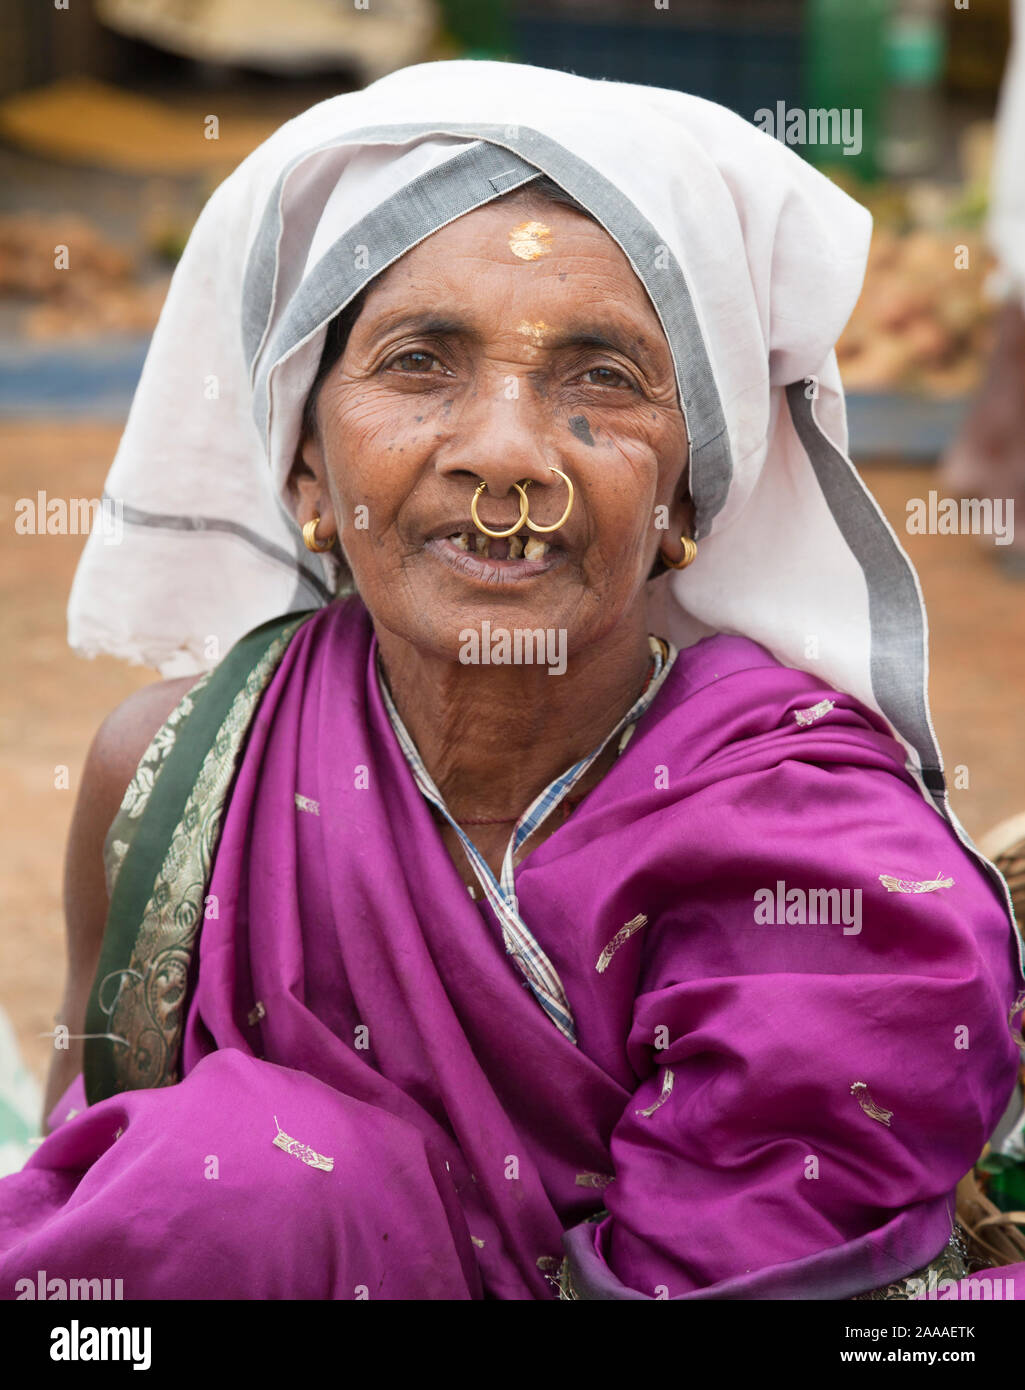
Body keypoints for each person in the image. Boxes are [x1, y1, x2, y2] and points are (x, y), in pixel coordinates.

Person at [1, 59, 1023, 1301]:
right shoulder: (174, 777)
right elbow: (98, 1196)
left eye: (598, 374)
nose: (503, 455)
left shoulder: (827, 864)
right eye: (421, 360)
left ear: (685, 497)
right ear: (305, 474)